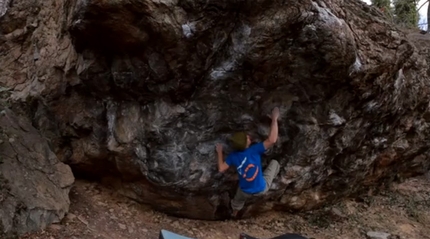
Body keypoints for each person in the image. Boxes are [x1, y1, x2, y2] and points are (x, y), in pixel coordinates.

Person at [216, 107, 281, 218]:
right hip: (261, 188)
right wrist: (274, 119)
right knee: (275, 163)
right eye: (247, 138)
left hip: (244, 190)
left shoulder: (233, 156)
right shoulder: (254, 150)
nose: (249, 137)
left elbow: (221, 168)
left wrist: (219, 152)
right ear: (246, 144)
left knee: (238, 200)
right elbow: (272, 140)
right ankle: (274, 177)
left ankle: (234, 213)